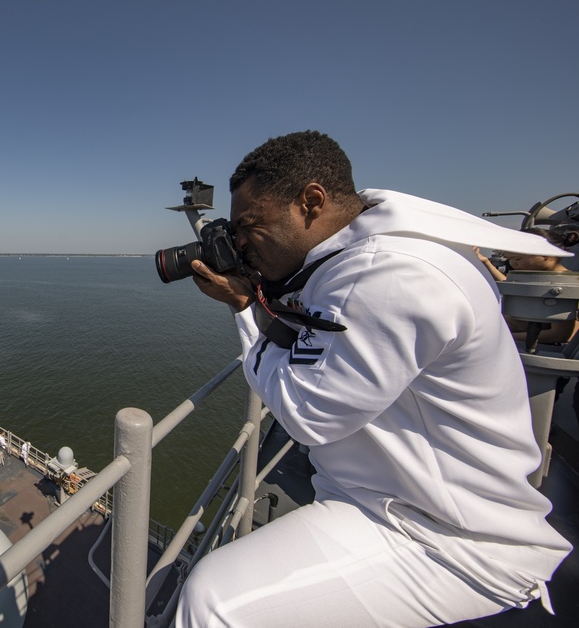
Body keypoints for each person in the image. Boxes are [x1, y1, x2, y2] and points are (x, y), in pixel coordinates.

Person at [178, 131, 571, 626]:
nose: (238, 244)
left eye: (248, 226)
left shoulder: (385, 274)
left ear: (311, 202)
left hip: (445, 537)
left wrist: (241, 307)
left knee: (215, 599)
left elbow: (305, 414)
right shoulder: (373, 253)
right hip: (396, 501)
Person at [477, 227, 579, 345]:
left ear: (546, 255)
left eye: (518, 258)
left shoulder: (567, 285)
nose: (513, 263)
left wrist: (502, 337)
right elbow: (516, 288)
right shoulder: (540, 279)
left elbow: (559, 334)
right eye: (509, 259)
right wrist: (485, 262)